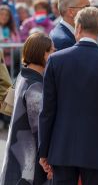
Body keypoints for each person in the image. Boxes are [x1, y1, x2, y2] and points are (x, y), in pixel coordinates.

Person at [38, 7, 98, 185]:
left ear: (77, 27)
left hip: (62, 148)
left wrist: (44, 151)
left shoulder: (56, 60)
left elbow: (47, 110)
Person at [0, 32, 55, 185]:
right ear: (42, 53)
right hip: (28, 169)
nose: (54, 54)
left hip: (16, 163)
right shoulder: (34, 86)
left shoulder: (22, 76)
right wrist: (48, 161)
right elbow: (40, 130)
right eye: (52, 50)